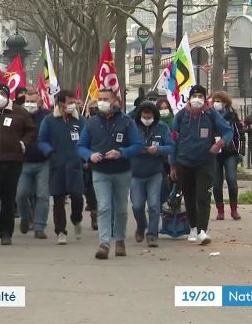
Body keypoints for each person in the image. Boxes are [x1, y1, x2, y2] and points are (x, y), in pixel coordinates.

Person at [77, 88, 143, 259]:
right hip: (100, 172)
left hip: (122, 171)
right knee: (104, 207)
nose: (102, 102)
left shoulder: (127, 122)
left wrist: (122, 152)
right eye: (100, 99)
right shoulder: (91, 122)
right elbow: (81, 146)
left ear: (115, 101)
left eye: (106, 98)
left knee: (120, 209)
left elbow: (138, 145)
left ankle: (119, 240)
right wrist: (89, 155)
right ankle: (104, 243)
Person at [170, 85, 233, 246]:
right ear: (189, 98)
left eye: (200, 96)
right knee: (189, 196)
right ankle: (192, 227)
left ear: (205, 99)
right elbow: (173, 140)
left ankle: (202, 231)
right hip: (184, 162)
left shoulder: (211, 115)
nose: (197, 99)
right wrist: (173, 165)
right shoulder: (180, 116)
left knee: (203, 196)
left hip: (205, 162)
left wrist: (219, 144)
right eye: (194, 96)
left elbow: (228, 131)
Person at [0, 83, 36, 245]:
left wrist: (23, 144)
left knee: (8, 199)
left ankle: (6, 233)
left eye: (2, 93)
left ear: (8, 95)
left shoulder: (19, 112)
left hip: (13, 161)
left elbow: (31, 130)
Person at [38, 90, 87, 245]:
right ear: (60, 103)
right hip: (57, 165)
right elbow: (42, 140)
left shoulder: (80, 121)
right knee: (58, 199)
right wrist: (49, 152)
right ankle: (61, 231)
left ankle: (76, 219)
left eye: (74, 102)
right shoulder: (49, 120)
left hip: (75, 165)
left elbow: (87, 140)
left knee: (77, 197)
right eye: (69, 102)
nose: (72, 105)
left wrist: (85, 156)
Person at [130, 101, 174, 248]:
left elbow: (171, 147)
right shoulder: (132, 127)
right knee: (137, 206)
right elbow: (123, 146)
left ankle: (152, 234)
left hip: (155, 172)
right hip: (136, 173)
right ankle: (141, 226)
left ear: (154, 116)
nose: (147, 118)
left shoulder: (162, 128)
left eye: (149, 115)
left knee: (154, 205)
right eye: (144, 115)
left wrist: (159, 150)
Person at [16, 92, 51, 239]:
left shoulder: (47, 118)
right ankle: (26, 217)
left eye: (32, 101)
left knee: (42, 195)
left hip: (43, 162)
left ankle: (39, 226)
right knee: (21, 194)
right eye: (27, 101)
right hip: (24, 161)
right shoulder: (18, 116)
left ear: (40, 103)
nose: (29, 104)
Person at [211, 91, 245, 220]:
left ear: (225, 103)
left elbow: (240, 134)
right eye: (215, 101)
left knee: (231, 180)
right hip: (215, 153)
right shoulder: (210, 116)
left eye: (219, 101)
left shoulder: (232, 116)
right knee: (216, 183)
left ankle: (234, 210)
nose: (216, 103)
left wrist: (240, 152)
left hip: (230, 153)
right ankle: (220, 211)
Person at [83, 99, 99, 230]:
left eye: (96, 107)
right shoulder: (84, 122)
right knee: (88, 188)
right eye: (92, 108)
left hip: (102, 161)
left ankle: (99, 214)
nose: (94, 110)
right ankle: (94, 211)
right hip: (87, 161)